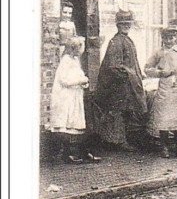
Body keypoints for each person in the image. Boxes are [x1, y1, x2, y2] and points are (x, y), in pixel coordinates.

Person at [94, 9, 148, 151]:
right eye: (123, 24)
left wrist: (138, 74)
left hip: (128, 83)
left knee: (126, 112)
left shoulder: (127, 40)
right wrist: (127, 76)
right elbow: (114, 66)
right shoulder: (116, 42)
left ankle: (123, 140)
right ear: (118, 25)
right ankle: (118, 141)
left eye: (128, 24)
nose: (126, 26)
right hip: (119, 84)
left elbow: (132, 62)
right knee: (118, 112)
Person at [49, 36, 101, 164]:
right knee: (68, 123)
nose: (82, 49)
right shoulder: (66, 60)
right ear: (75, 47)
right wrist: (80, 81)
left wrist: (84, 82)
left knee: (77, 123)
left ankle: (80, 152)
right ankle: (68, 153)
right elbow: (64, 80)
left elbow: (79, 75)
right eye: (80, 46)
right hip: (66, 96)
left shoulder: (76, 60)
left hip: (75, 94)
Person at [144, 26, 177, 158]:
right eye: (166, 38)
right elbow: (147, 68)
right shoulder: (158, 53)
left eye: (171, 38)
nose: (169, 41)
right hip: (165, 85)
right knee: (163, 116)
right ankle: (164, 146)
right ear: (162, 38)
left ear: (176, 38)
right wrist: (160, 73)